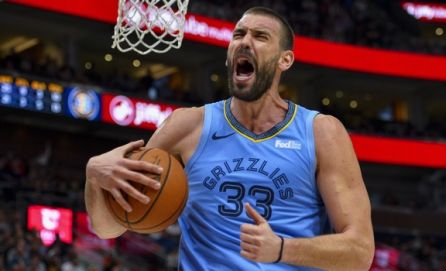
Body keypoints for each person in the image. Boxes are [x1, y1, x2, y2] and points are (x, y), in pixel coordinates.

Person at [85, 7, 374, 270]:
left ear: (285, 60)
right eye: (238, 35)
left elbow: (360, 251)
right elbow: (109, 228)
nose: (245, 41)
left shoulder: (321, 132)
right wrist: (95, 175)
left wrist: (282, 249)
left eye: (260, 36)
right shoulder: (187, 126)